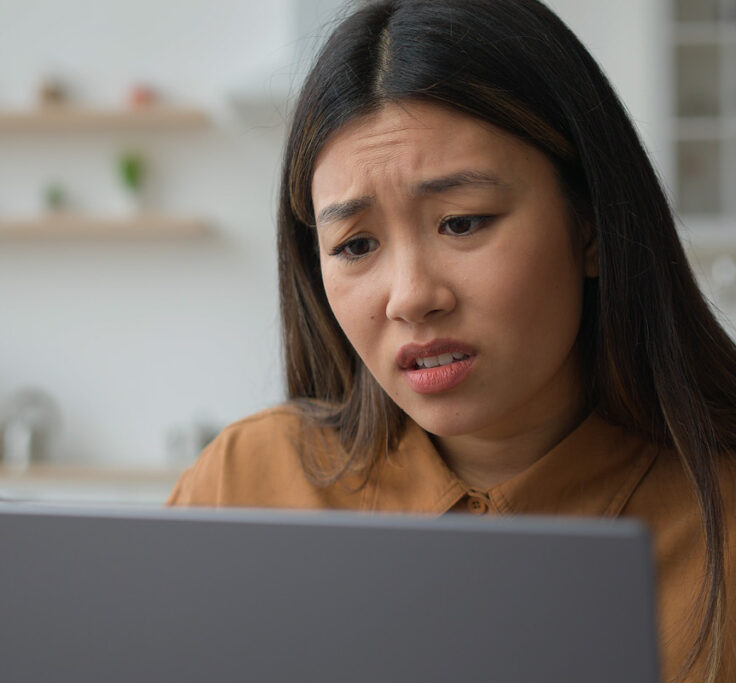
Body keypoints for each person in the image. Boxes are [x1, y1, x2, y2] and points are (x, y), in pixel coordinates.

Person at [166, 0, 736, 680]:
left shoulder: (719, 515)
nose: (409, 296)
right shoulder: (245, 483)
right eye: (356, 245)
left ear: (589, 226)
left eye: (462, 223)